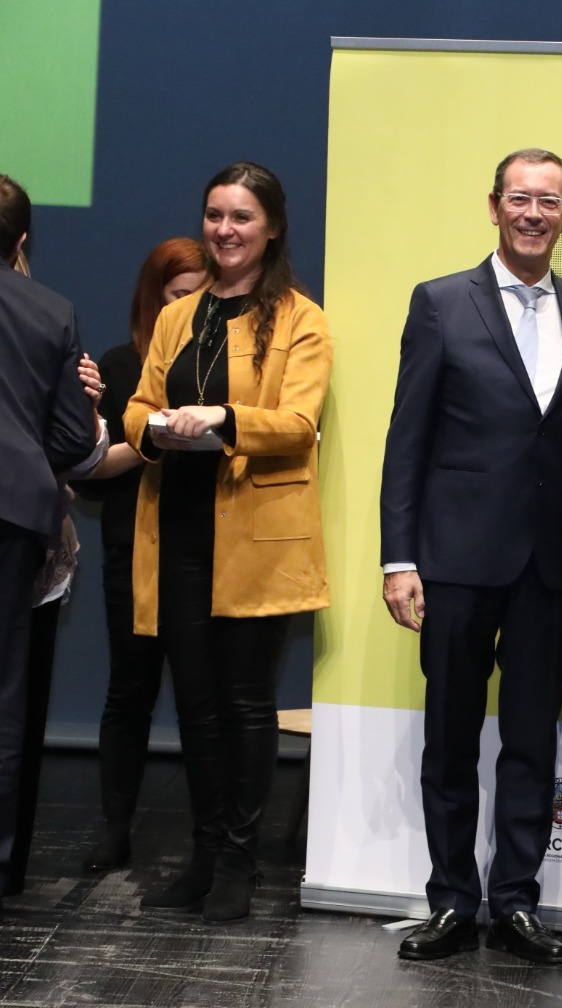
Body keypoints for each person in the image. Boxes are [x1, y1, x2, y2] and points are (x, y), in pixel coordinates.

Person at [379, 148, 562, 964]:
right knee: (449, 738)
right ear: (494, 206)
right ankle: (451, 899)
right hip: (454, 558)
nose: (533, 213)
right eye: (520, 198)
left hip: (550, 561)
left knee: (532, 740)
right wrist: (397, 558)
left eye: (549, 201)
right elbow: (406, 438)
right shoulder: (441, 302)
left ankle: (515, 900)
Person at [124, 162, 332, 922]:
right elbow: (139, 405)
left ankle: (240, 864)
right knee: (196, 705)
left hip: (256, 537)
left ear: (271, 227)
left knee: (246, 704)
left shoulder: (301, 319)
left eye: (241, 217)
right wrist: (153, 428)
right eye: (215, 215)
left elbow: (299, 424)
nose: (225, 230)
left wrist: (221, 419)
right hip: (179, 527)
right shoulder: (179, 316)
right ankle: (205, 855)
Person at [75, 238, 208, 873]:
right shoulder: (121, 364)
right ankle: (114, 828)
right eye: (178, 295)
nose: (189, 308)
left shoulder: (221, 369)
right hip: (131, 550)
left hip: (205, 549)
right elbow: (90, 472)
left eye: (200, 296)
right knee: (129, 691)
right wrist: (154, 437)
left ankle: (212, 844)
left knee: (204, 701)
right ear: (154, 297)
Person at [0, 173, 101, 906]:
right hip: (12, 512)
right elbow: (71, 438)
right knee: (6, 694)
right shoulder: (50, 310)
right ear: (23, 239)